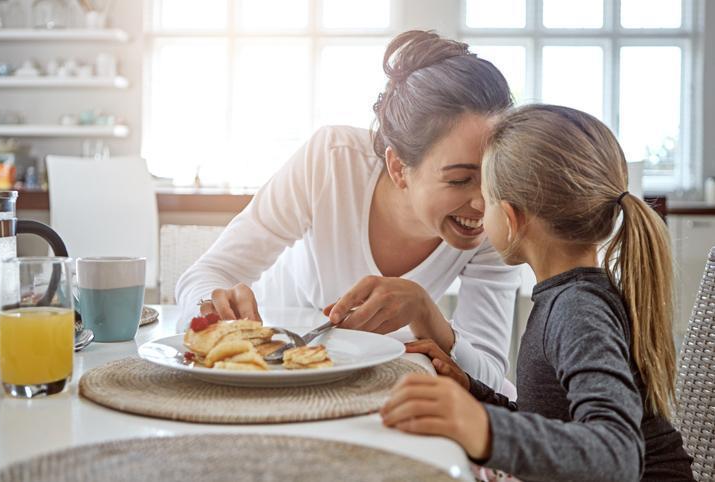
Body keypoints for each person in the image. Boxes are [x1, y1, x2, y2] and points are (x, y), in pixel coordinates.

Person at [176, 30, 521, 390]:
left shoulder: (501, 216)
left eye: (496, 174)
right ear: (400, 168)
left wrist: (425, 312)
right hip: (272, 366)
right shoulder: (331, 161)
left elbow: (491, 379)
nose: (484, 202)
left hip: (375, 376)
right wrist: (209, 311)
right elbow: (210, 272)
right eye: (459, 180)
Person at [382, 104, 694, 481]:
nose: (479, 207)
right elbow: (554, 423)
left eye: (486, 195)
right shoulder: (569, 297)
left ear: (512, 218)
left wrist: (483, 428)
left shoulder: (577, 309)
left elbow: (618, 455)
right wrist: (472, 392)